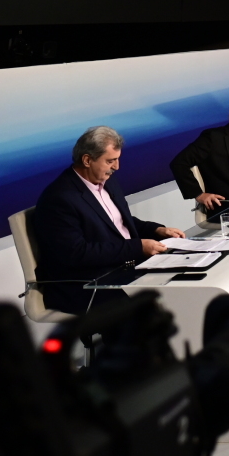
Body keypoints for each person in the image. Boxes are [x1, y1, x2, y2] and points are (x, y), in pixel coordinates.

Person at [33, 126, 186, 315]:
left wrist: (157, 230)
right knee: (156, 305)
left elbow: (119, 222)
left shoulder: (107, 181)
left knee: (184, 280)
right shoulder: (59, 198)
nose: (117, 167)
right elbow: (77, 253)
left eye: (117, 159)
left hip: (123, 267)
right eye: (110, 161)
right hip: (88, 284)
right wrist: (137, 247)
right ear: (87, 160)